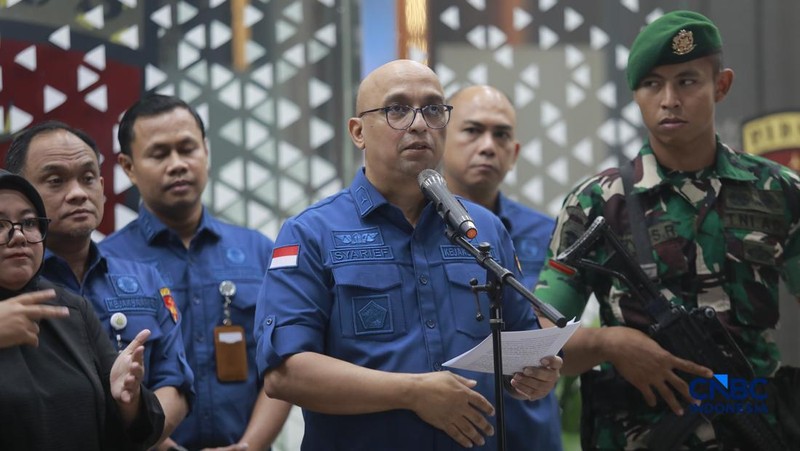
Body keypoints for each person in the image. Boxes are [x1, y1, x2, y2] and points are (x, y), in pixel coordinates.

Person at [254, 59, 563, 450]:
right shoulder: (311, 233)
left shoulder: (482, 229)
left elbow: (517, 358)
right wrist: (412, 392)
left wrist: (531, 378)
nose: (419, 124)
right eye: (396, 109)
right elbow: (285, 374)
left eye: (434, 109)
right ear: (357, 131)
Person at [532, 10, 800, 449]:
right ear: (636, 94)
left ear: (722, 85)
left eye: (688, 81)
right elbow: (542, 338)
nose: (669, 99)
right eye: (652, 84)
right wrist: (610, 344)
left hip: (753, 429)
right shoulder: (596, 202)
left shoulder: (780, 191)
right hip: (637, 435)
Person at [101, 94, 292, 450]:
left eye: (187, 148)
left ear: (205, 150)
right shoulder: (105, 264)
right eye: (159, 154)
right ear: (128, 167)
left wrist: (249, 447)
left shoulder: (258, 251)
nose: (177, 164)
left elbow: (284, 365)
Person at [5, 121, 195, 450]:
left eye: (88, 178)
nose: (78, 192)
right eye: (55, 180)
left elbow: (170, 384)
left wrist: (129, 406)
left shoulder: (85, 304)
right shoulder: (19, 287)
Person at [442, 84, 561, 450]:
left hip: (529, 429)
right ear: (441, 139)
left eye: (502, 135)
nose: (488, 146)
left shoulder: (547, 232)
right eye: (473, 130)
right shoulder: (415, 232)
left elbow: (555, 332)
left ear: (515, 153)